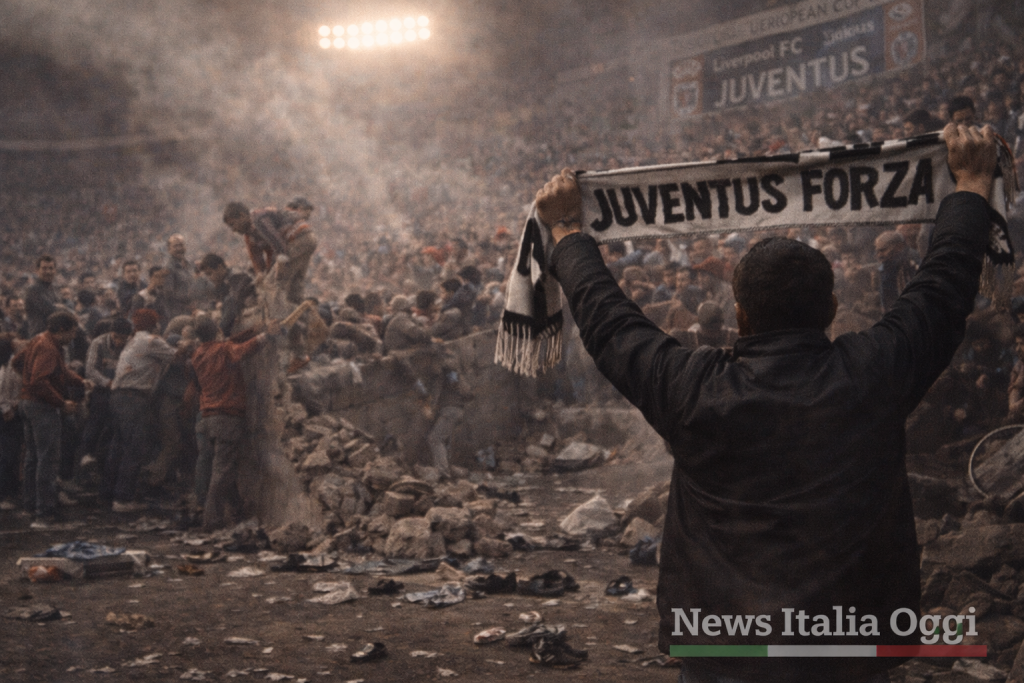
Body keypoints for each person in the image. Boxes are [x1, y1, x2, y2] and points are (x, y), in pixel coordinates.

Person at [532, 123, 998, 682]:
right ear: (830, 309)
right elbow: (943, 288)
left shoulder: (692, 387)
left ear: (741, 316)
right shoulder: (873, 374)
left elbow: (609, 322)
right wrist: (971, 182)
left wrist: (566, 231)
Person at [189, 316, 277, 530]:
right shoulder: (223, 350)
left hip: (207, 418)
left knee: (222, 469)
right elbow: (240, 350)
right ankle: (211, 521)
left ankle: (237, 511)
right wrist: (267, 335)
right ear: (217, 330)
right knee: (222, 471)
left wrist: (253, 330)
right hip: (226, 416)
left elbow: (228, 343)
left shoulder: (199, 353)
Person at [14, 310, 89, 526]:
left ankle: (30, 507)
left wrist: (80, 381)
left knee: (33, 458)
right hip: (42, 407)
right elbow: (40, 381)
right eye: (73, 331)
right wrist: (61, 402)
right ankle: (44, 513)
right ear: (62, 330)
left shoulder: (39, 339)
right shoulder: (48, 347)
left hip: (27, 403)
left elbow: (18, 363)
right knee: (47, 460)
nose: (74, 336)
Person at [106, 309, 182, 512]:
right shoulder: (151, 341)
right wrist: (189, 346)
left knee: (118, 446)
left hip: (118, 396)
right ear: (153, 324)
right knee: (134, 448)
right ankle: (123, 499)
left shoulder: (132, 340)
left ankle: (108, 494)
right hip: (134, 398)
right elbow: (177, 357)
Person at [222, 201, 318, 305]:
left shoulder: (258, 219)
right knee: (294, 286)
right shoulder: (250, 235)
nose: (233, 230)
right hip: (305, 239)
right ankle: (302, 314)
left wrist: (280, 266)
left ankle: (279, 318)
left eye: (233, 224)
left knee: (272, 285)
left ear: (242, 215)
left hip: (298, 238)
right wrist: (260, 273)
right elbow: (256, 257)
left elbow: (277, 242)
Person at [164, 234, 198, 318]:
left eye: (181, 245)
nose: (179, 248)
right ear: (169, 249)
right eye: (175, 246)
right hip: (179, 314)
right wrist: (187, 305)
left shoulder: (190, 265)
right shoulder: (168, 268)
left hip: (194, 310)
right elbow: (168, 295)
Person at [24, 255, 59, 337]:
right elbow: (52, 310)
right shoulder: (33, 290)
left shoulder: (53, 289)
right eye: (44, 268)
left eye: (51, 268)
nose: (48, 272)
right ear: (37, 270)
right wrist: (62, 307)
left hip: (53, 336)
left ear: (55, 270)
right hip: (39, 337)